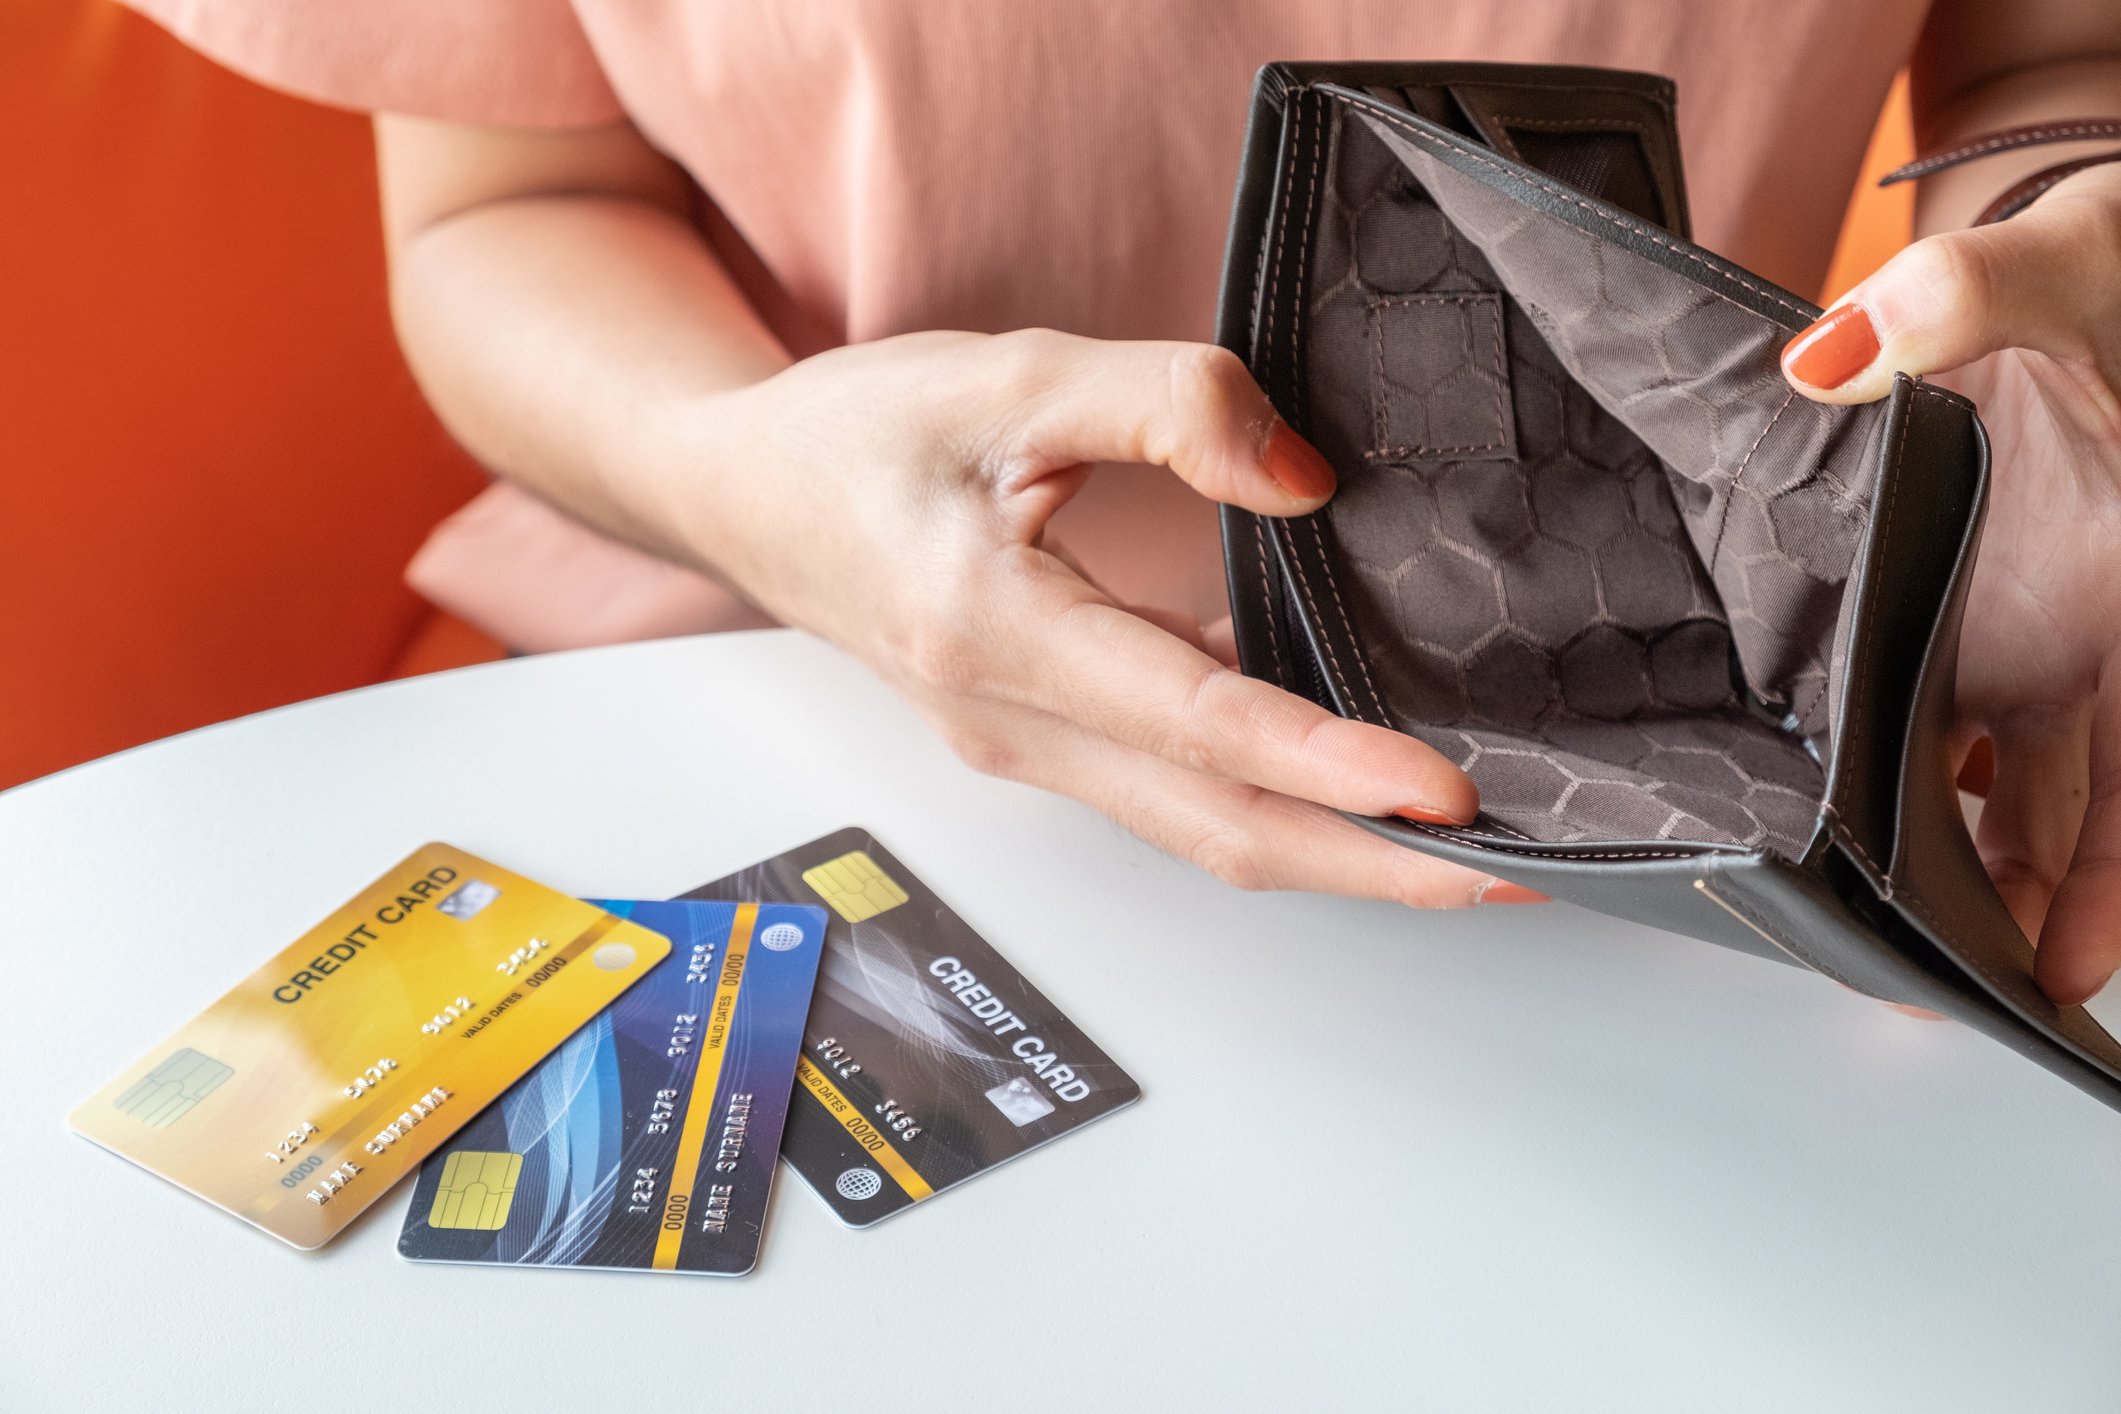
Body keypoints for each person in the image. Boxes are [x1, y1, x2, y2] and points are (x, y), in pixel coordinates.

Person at [125, 0, 2121, 1002]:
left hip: (1696, 813)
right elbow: (510, 205)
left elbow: (2047, 45)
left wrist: (2042, 334)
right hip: (789, 712)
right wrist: (743, 474)